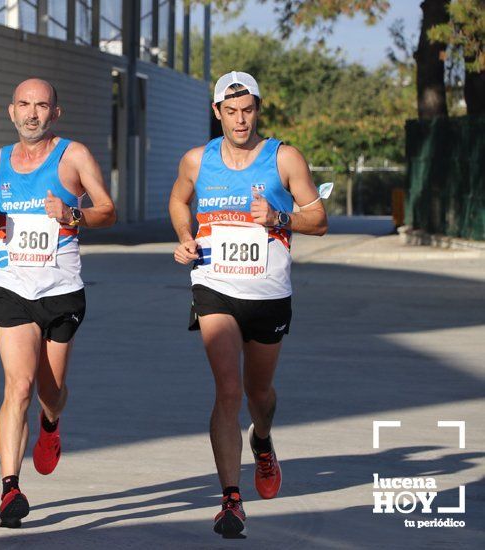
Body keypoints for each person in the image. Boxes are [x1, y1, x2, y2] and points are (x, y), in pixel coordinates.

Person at [169, 71, 327, 538]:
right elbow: (179, 201)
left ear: (258, 109)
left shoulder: (284, 157)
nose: (240, 120)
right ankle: (231, 500)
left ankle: (262, 440)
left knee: (259, 396)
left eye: (248, 110)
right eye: (231, 111)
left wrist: (280, 216)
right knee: (229, 391)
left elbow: (319, 219)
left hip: (269, 293)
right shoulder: (197, 160)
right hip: (214, 284)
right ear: (217, 112)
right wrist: (184, 239)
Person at [0, 78, 116, 528]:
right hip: (11, 286)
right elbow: (1, 222)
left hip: (60, 291)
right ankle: (10, 489)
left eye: (41, 106)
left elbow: (107, 210)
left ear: (55, 113)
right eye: (24, 105)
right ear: (11, 111)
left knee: (49, 392)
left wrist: (72, 214)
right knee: (16, 387)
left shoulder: (72, 155)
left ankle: (51, 425)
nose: (32, 113)